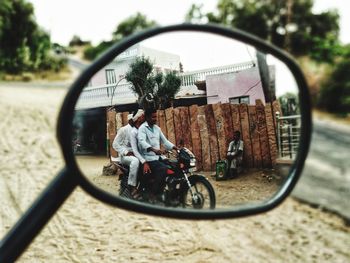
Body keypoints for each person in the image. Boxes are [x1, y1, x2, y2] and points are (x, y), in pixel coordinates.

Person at [137, 108, 178, 199]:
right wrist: (154, 150)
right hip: (148, 158)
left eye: (156, 117)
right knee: (162, 169)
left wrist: (175, 148)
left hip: (158, 158)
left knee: (174, 166)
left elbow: (165, 142)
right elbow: (141, 142)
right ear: (147, 117)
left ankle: (170, 192)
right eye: (153, 117)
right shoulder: (142, 129)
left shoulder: (157, 128)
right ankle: (154, 193)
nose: (155, 119)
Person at [112, 113, 139, 195]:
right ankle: (132, 185)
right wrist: (126, 152)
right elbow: (115, 144)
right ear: (130, 120)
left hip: (137, 154)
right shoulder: (123, 130)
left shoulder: (138, 130)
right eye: (135, 119)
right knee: (135, 161)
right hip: (126, 156)